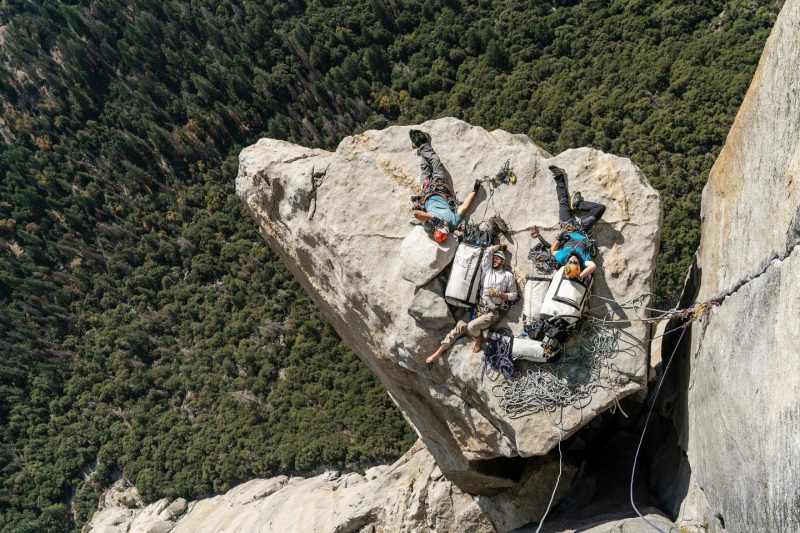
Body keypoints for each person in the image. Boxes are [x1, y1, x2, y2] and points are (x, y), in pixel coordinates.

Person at [426, 244, 518, 363]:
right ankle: (439, 352)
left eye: (498, 258)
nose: (495, 260)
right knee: (458, 328)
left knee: (471, 326)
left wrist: (499, 294)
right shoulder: (487, 270)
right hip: (477, 307)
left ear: (503, 261)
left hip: (492, 312)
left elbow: (514, 295)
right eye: (494, 258)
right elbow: (487, 253)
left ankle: (478, 338)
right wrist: (498, 246)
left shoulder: (507, 276)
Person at [529, 165, 606, 281]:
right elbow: (593, 266)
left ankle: (559, 177)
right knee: (600, 208)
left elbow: (553, 251)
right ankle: (578, 204)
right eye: (575, 262)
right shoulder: (585, 261)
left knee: (563, 202)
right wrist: (580, 276)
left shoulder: (563, 258)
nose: (573, 259)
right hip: (582, 229)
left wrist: (559, 239)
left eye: (570, 262)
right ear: (579, 265)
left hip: (567, 228)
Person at [409, 129, 480, 242]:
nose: (445, 224)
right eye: (445, 227)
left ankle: (421, 144)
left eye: (442, 227)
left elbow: (416, 214)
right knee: (435, 161)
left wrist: (434, 219)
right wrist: (475, 190)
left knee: (425, 166)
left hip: (426, 191)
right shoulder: (453, 223)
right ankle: (422, 143)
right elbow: (465, 207)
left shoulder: (430, 226)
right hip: (441, 187)